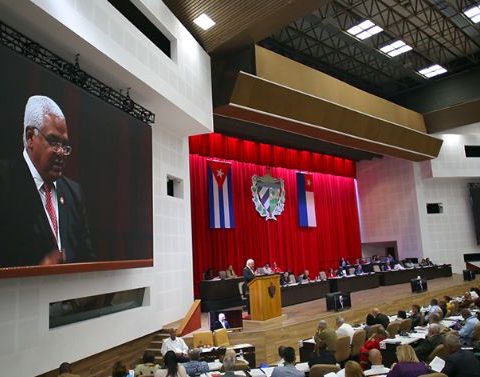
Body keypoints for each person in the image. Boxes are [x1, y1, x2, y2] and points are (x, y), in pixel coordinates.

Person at [0, 95, 95, 267]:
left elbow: (86, 256)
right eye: (53, 142)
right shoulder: (5, 180)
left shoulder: (74, 192)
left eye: (65, 146)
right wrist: (36, 271)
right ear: (30, 137)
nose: (61, 153)